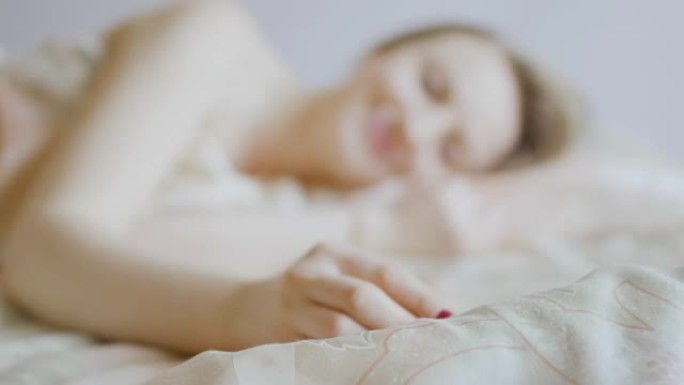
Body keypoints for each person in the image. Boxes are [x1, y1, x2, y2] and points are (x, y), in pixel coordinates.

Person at [0, 0, 576, 354]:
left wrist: (376, 225)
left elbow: (109, 265)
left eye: (451, 149)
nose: (416, 131)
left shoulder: (306, 215)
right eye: (431, 85)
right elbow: (40, 253)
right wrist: (237, 312)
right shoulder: (214, 37)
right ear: (383, 50)